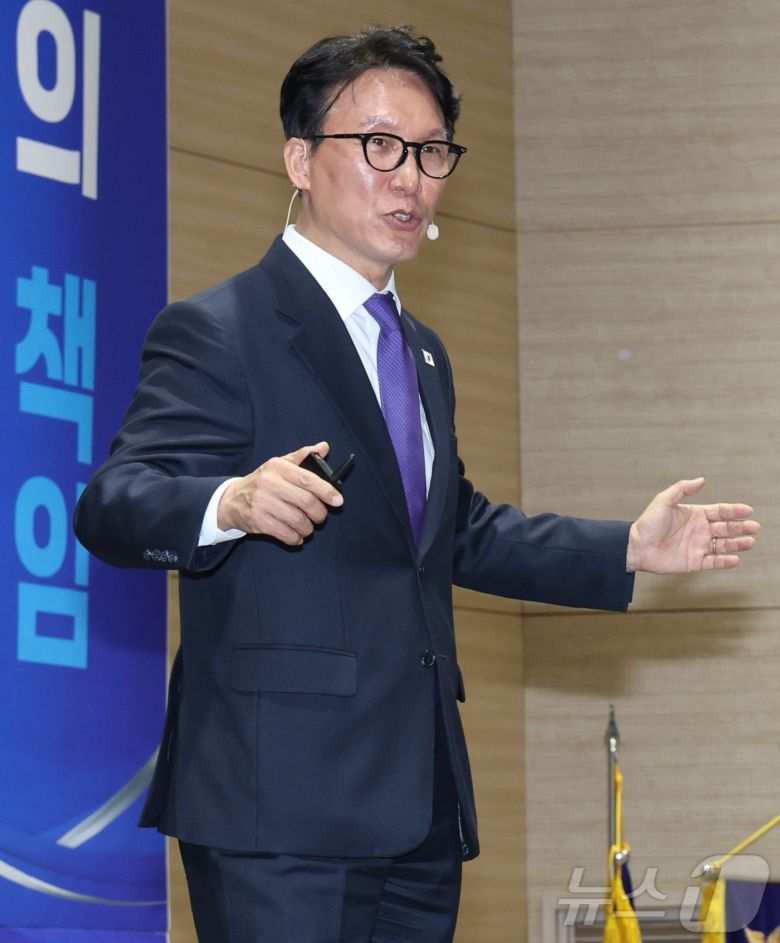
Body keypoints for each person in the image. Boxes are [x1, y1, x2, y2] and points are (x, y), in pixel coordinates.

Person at [73, 25, 759, 943]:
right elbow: (113, 504)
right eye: (380, 145)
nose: (411, 178)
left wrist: (625, 549)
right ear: (300, 160)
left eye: (432, 151)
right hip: (278, 811)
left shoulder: (421, 350)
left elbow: (449, 529)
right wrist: (228, 502)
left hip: (418, 807)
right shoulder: (222, 329)